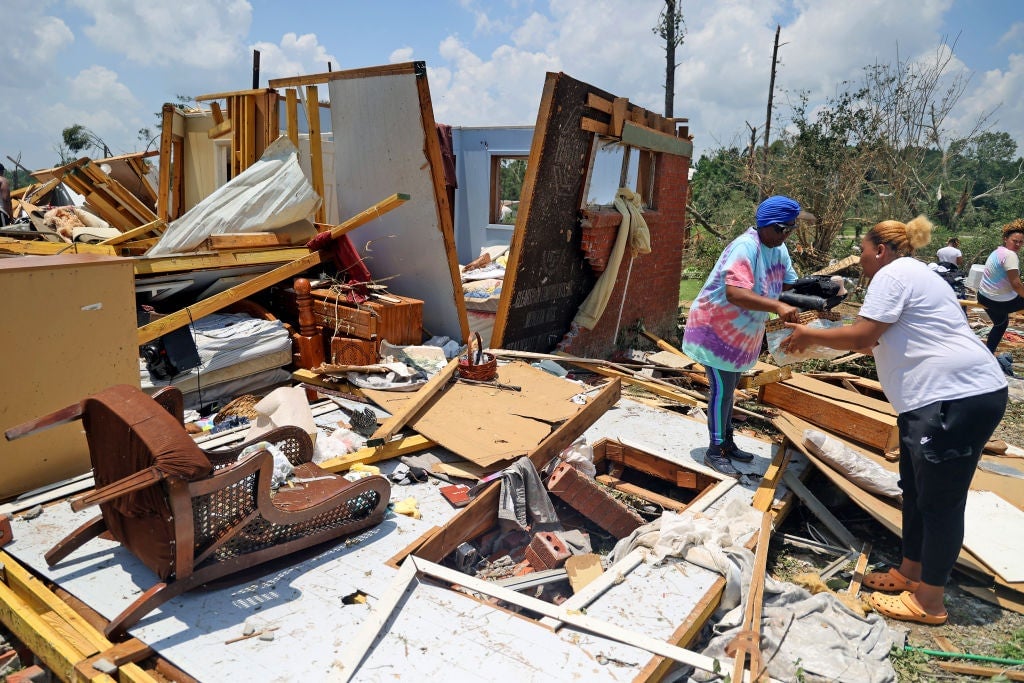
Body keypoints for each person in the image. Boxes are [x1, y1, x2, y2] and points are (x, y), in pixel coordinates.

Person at [782, 215, 1007, 626]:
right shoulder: (916, 275)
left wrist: (811, 335)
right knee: (917, 492)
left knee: (939, 502)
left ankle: (930, 602)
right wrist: (823, 333)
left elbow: (863, 338)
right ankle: (910, 573)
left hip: (954, 397)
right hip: (938, 399)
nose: (862, 261)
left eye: (863, 253)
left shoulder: (892, 275)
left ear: (880, 250)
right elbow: (879, 345)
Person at [682, 195, 802, 477]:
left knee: (730, 389)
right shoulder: (745, 247)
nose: (787, 236)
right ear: (768, 226)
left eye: (791, 229)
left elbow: (789, 284)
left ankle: (726, 441)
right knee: (722, 391)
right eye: (784, 230)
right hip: (715, 332)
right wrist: (777, 306)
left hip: (741, 334)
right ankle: (715, 449)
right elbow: (735, 293)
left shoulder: (777, 248)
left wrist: (821, 296)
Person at [977, 220, 1024, 353]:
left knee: (1001, 324)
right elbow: (1016, 285)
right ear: (1005, 239)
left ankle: (988, 354)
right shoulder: (1011, 256)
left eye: (1021, 242)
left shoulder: (997, 252)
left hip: (983, 297)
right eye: (1015, 241)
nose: (1018, 244)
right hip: (999, 302)